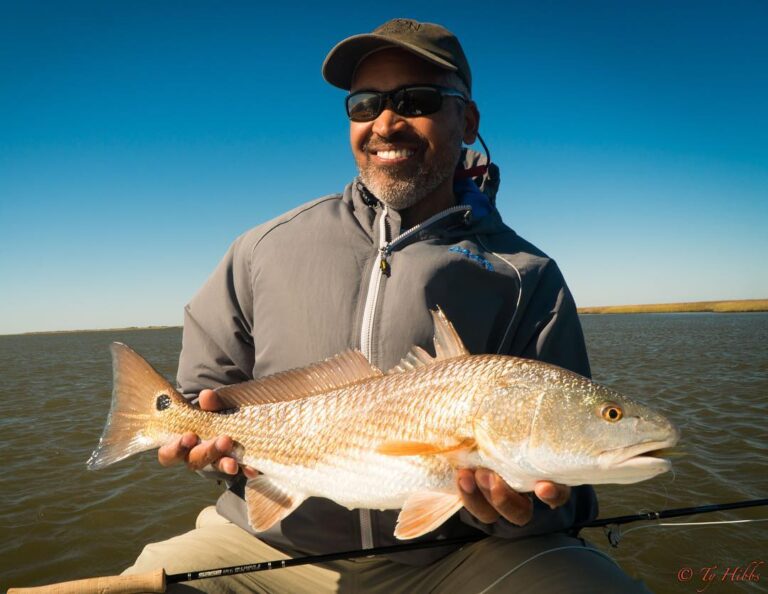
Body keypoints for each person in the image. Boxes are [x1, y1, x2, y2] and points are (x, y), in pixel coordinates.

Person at [125, 18, 651, 593]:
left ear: (468, 121)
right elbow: (208, 390)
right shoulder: (261, 248)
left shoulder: (527, 275)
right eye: (365, 104)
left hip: (461, 558)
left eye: (416, 99)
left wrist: (523, 509)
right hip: (264, 543)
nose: (385, 122)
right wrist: (197, 434)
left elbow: (568, 499)